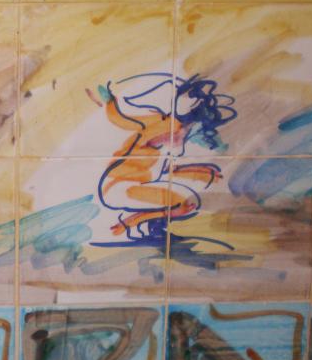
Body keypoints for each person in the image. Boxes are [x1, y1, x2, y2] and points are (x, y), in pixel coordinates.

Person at [95, 72, 236, 246]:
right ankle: (138, 224)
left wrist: (201, 173)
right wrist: (110, 102)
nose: (177, 139)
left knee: (180, 202)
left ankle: (143, 224)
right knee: (178, 203)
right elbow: (122, 121)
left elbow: (169, 171)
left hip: (133, 183)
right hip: (119, 186)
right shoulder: (155, 127)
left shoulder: (169, 142)